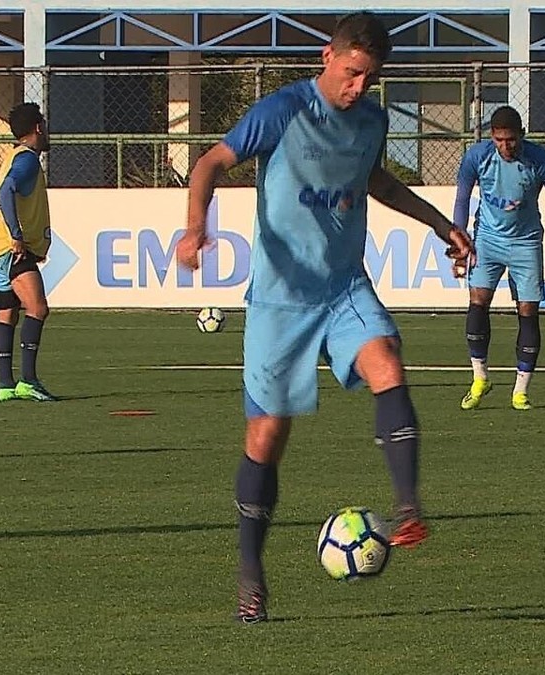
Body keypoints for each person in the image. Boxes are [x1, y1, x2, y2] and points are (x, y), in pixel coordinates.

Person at [175, 12, 472, 624]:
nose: (358, 87)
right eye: (352, 73)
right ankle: (251, 573)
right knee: (267, 437)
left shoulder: (371, 120)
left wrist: (441, 223)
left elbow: (376, 183)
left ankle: (408, 506)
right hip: (281, 302)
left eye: (370, 77)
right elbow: (210, 161)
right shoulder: (282, 111)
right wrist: (196, 225)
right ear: (327, 58)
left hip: (343, 287)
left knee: (387, 356)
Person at [453, 105, 545, 412]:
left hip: (526, 241)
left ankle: (521, 391)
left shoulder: (541, 161)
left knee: (528, 310)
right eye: (500, 140)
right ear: (492, 136)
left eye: (512, 140)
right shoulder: (477, 157)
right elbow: (462, 198)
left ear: (522, 136)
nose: (506, 146)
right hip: (487, 239)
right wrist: (461, 239)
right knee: (478, 301)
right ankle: (480, 378)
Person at [0, 102, 57, 403]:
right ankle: (28, 380)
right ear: (38, 128)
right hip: (10, 248)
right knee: (38, 308)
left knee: (7, 313)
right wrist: (17, 235)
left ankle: (5, 384)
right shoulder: (26, 160)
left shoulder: (12, 155)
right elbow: (6, 191)